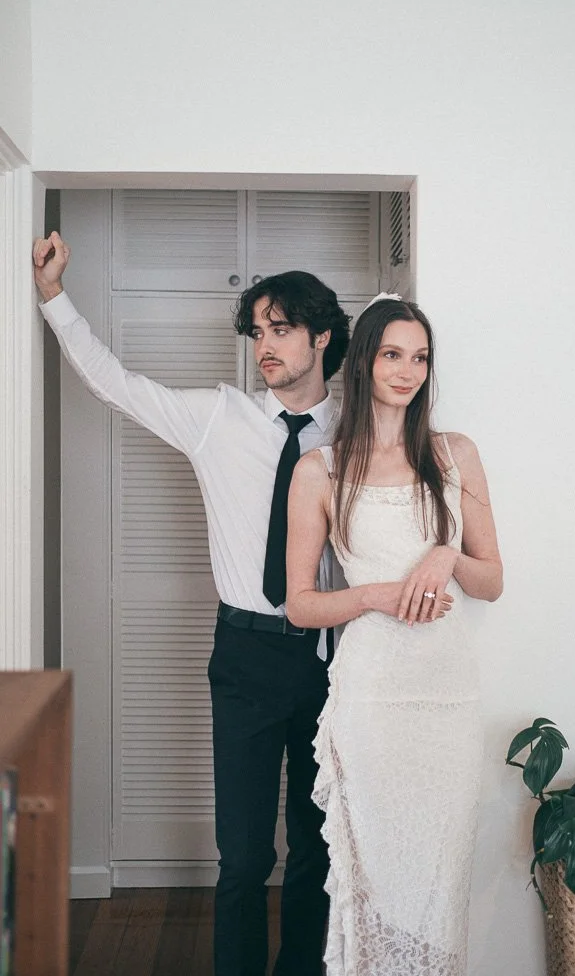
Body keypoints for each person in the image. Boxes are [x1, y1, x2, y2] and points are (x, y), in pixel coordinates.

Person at [32, 231, 350, 976]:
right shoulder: (218, 416)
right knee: (241, 856)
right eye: (257, 331)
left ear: (322, 337)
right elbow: (112, 381)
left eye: (281, 329)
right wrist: (53, 296)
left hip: (332, 658)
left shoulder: (357, 434)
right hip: (242, 654)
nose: (264, 346)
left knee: (315, 843)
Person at [285, 294, 503, 976]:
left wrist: (444, 554)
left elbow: (490, 580)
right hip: (371, 699)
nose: (407, 371)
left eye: (419, 358)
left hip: (446, 699)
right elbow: (298, 606)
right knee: (373, 881)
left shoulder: (454, 454)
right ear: (362, 362)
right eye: (391, 355)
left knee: (441, 886)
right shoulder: (318, 470)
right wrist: (377, 595)